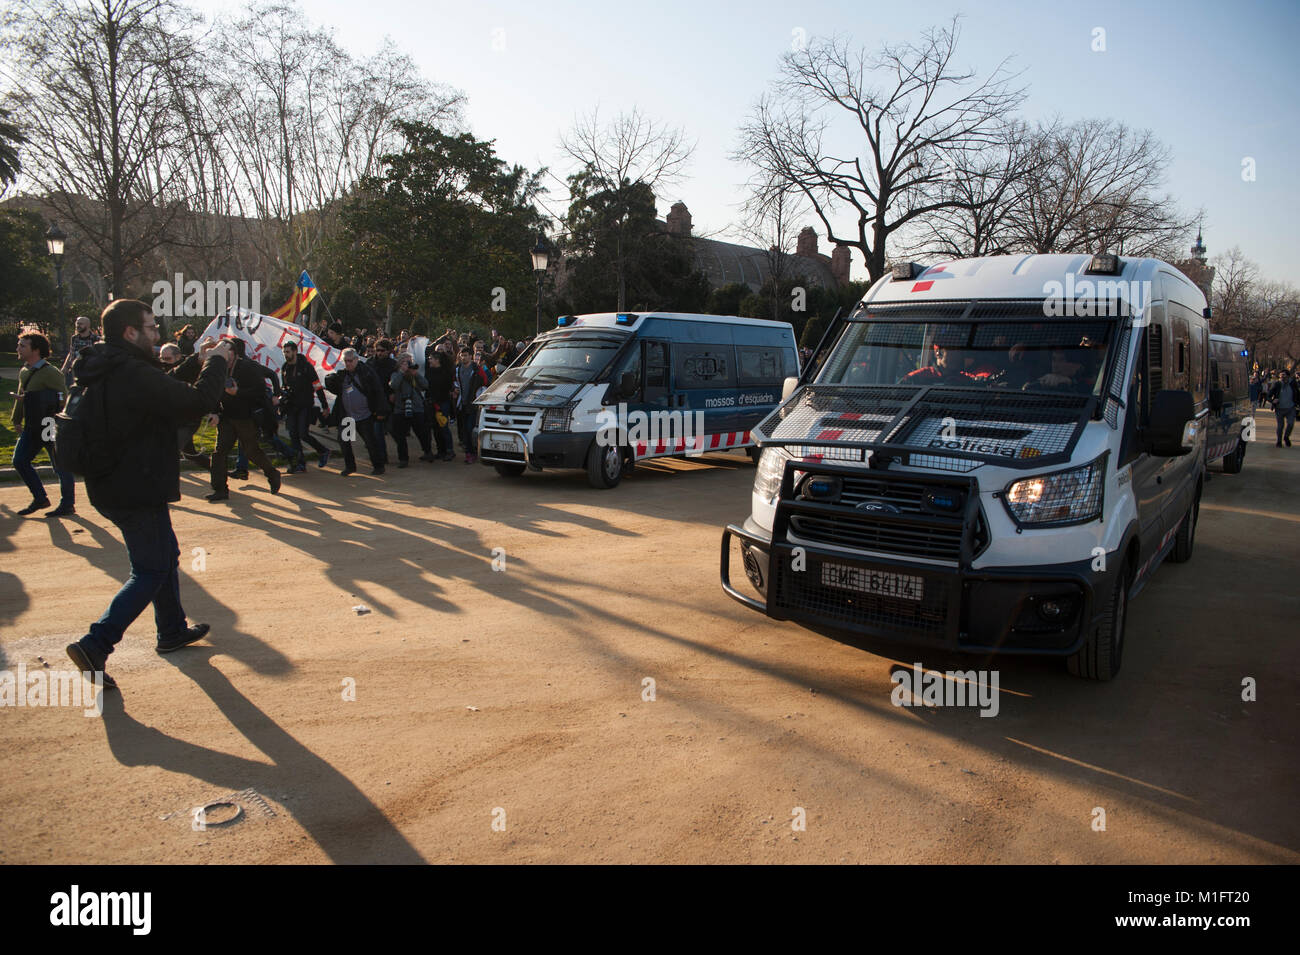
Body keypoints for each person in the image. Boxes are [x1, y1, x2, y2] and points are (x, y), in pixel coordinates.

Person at [64, 299, 234, 688]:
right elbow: (194, 402)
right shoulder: (131, 372)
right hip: (133, 484)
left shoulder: (110, 362)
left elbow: (162, 383)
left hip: (115, 481)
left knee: (164, 557)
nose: (157, 333)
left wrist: (197, 359)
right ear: (130, 332)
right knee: (152, 568)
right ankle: (96, 644)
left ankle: (172, 630)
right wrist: (218, 361)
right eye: (151, 327)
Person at [206, 338, 282, 501]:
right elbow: (213, 390)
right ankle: (220, 489)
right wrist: (214, 412)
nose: (224, 356)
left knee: (252, 452)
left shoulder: (248, 367)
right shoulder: (218, 367)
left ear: (234, 354)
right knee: (219, 453)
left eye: (227, 352)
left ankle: (272, 474)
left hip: (246, 418)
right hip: (226, 417)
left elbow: (260, 391)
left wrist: (238, 393)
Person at [12, 331, 76, 517]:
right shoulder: (25, 371)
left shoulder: (50, 372)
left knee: (60, 466)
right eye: (19, 345)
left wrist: (35, 399)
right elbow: (21, 396)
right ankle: (40, 498)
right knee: (20, 460)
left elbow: (63, 397)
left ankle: (68, 504)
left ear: (36, 350)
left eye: (23, 345)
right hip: (32, 424)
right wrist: (16, 419)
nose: (18, 348)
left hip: (49, 423)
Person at [324, 347, 388, 475]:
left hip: (365, 415)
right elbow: (335, 389)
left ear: (356, 359)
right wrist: (329, 380)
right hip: (348, 416)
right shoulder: (343, 375)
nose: (348, 363)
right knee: (344, 441)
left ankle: (378, 466)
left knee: (370, 442)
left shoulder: (367, 372)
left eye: (350, 360)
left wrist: (381, 410)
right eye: (345, 361)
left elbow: (378, 391)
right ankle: (350, 466)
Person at [280, 340, 331, 471]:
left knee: (303, 433)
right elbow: (284, 386)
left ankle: (323, 450)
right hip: (291, 406)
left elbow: (318, 386)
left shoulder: (306, 367)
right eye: (284, 352)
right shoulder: (285, 368)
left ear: (295, 351)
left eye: (288, 351)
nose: (286, 354)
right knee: (293, 434)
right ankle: (300, 463)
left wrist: (325, 406)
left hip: (305, 405)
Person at [389, 353, 434, 466]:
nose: (409, 365)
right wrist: (402, 372)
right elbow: (393, 385)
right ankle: (403, 459)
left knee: (422, 432)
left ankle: (428, 452)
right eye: (405, 362)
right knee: (400, 436)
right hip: (401, 408)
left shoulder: (414, 374)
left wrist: (416, 374)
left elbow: (425, 385)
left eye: (410, 362)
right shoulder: (396, 374)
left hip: (416, 407)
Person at [454, 346, 486, 463]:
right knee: (464, 430)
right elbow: (454, 382)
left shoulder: (477, 369)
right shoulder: (457, 369)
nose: (464, 357)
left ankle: (472, 453)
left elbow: (486, 383)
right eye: (462, 355)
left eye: (466, 355)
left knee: (469, 429)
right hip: (461, 404)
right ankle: (469, 452)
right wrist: (455, 389)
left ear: (470, 356)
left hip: (473, 405)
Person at [60, 315, 99, 387]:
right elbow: (71, 353)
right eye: (77, 324)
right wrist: (65, 367)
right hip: (74, 370)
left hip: (88, 371)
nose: (78, 326)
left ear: (87, 325)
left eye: (81, 324)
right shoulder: (74, 338)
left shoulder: (95, 339)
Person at [1267, 368, 1298, 447]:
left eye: (1283, 375)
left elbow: (1297, 394)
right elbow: (1268, 395)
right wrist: (1272, 400)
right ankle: (1279, 441)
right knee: (1280, 426)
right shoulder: (1277, 384)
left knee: (1290, 424)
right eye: (1280, 376)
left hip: (1290, 408)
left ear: (1288, 376)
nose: (1282, 377)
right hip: (1279, 409)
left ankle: (1286, 437)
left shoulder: (1293, 383)